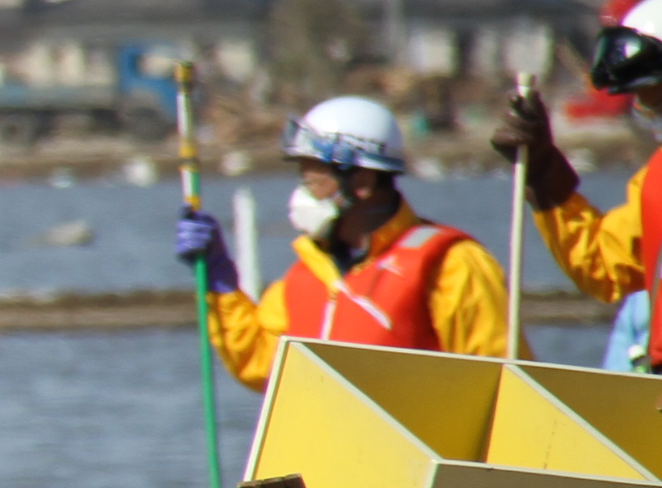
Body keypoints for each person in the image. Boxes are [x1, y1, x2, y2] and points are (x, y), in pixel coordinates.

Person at [175, 92, 514, 390]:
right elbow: (261, 364)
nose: (301, 195)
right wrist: (219, 283)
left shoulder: (451, 265)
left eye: (314, 181)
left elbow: (501, 386)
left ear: (363, 182)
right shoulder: (307, 275)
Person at [500, 0, 662, 354]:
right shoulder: (657, 182)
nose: (644, 109)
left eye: (652, 95)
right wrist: (543, 173)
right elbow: (604, 262)